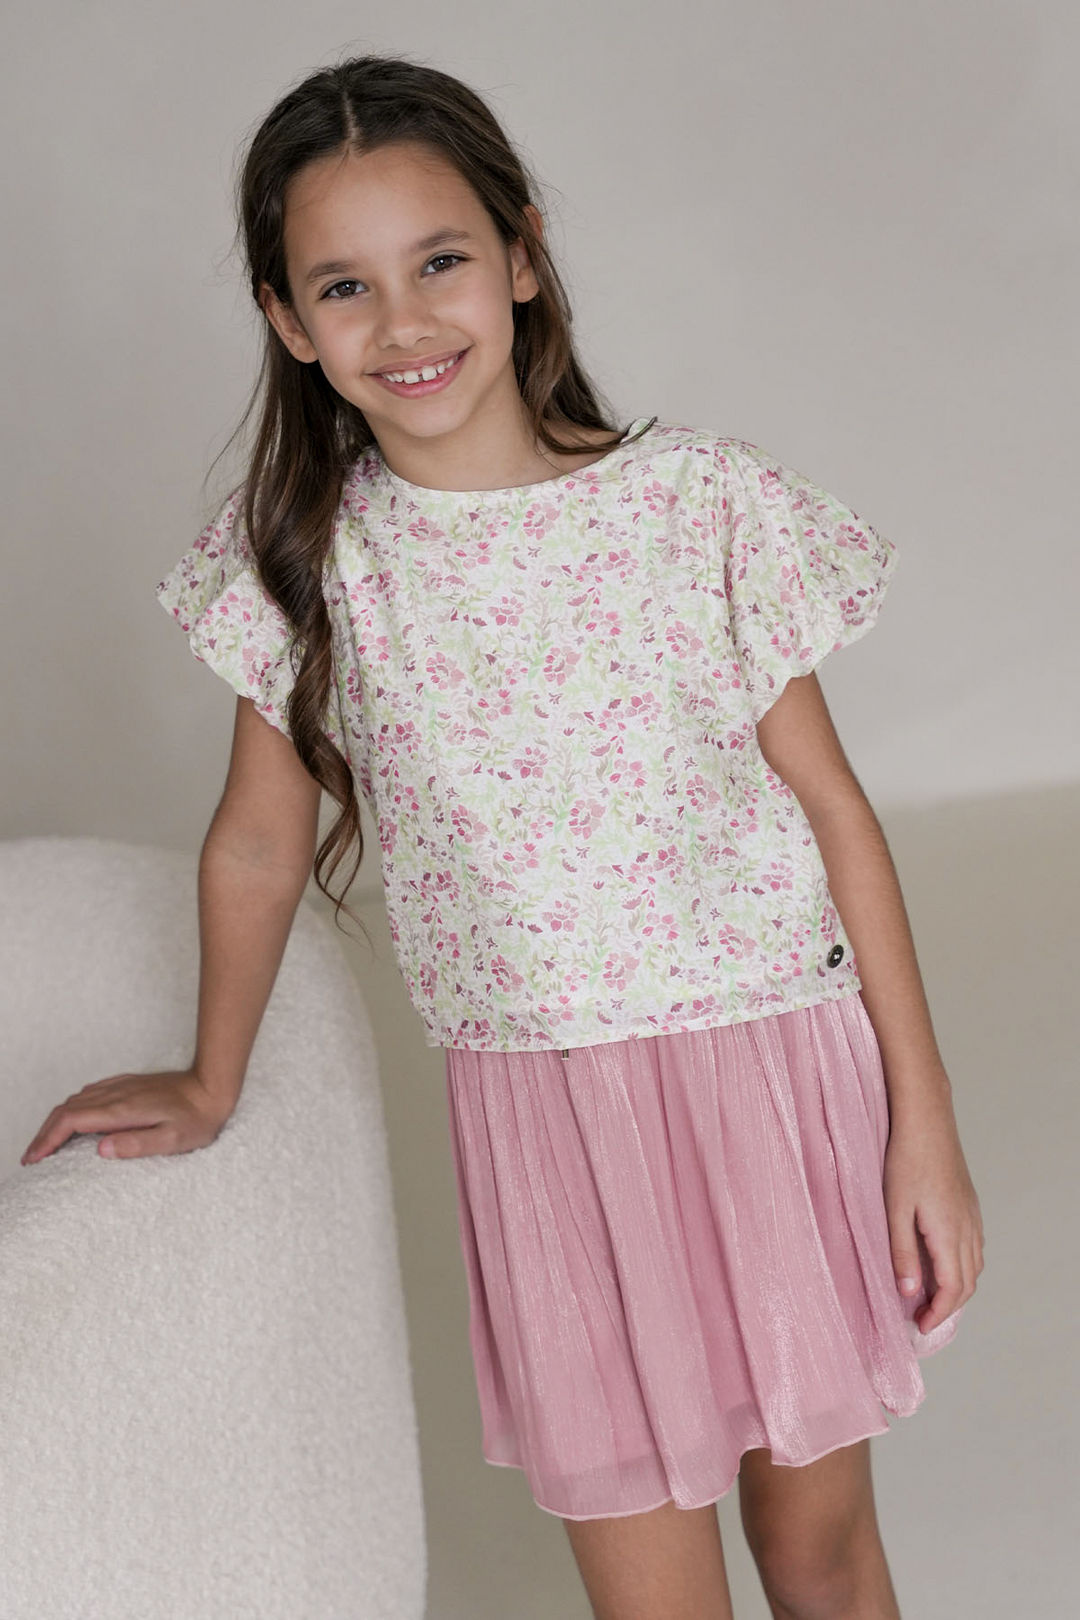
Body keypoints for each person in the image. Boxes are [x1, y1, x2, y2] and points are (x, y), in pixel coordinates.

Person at [21, 52, 984, 1620]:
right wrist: (210, 1076)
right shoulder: (306, 563)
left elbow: (836, 814)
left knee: (818, 1552)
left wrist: (920, 1122)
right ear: (287, 321)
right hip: (550, 1132)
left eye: (442, 261)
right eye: (344, 286)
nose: (403, 323)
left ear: (523, 256)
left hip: (771, 1072)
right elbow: (258, 845)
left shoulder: (696, 506)